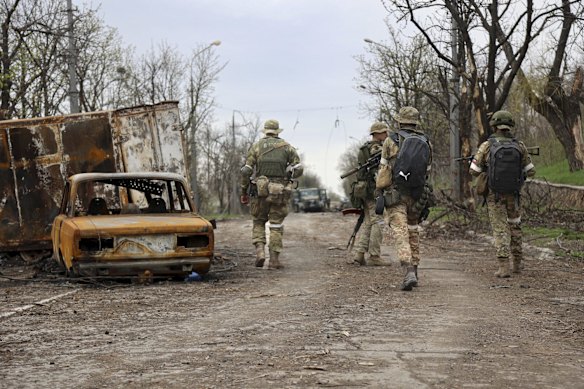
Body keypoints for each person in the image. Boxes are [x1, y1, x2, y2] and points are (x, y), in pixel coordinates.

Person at [469, 110, 535, 277]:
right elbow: (531, 171)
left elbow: (473, 171)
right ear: (510, 125)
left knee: (500, 228)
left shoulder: (487, 145)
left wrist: (484, 165)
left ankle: (504, 267)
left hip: (495, 195)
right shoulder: (520, 145)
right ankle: (518, 264)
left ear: (494, 125)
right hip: (514, 194)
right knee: (515, 226)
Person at [375, 107, 433, 291]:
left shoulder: (390, 141)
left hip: (396, 193)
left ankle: (408, 270)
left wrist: (380, 191)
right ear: (416, 122)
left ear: (399, 121)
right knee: (413, 230)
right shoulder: (425, 141)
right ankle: (415, 270)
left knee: (401, 233)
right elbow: (427, 171)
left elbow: (383, 171)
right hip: (417, 193)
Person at [240, 119, 303, 269]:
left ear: (265, 131)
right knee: (276, 225)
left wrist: (244, 190)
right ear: (277, 131)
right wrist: (290, 179)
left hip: (259, 192)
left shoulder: (256, 146)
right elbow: (299, 168)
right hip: (279, 192)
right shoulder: (287, 148)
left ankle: (260, 252)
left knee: (258, 221)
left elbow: (246, 171)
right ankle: (274, 260)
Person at [351, 122, 390, 266]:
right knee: (379, 221)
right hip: (374, 190)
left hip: (364, 191)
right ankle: (374, 256)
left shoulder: (363, 149)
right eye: (385, 132)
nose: (387, 135)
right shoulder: (377, 149)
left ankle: (359, 254)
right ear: (378, 134)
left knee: (369, 222)